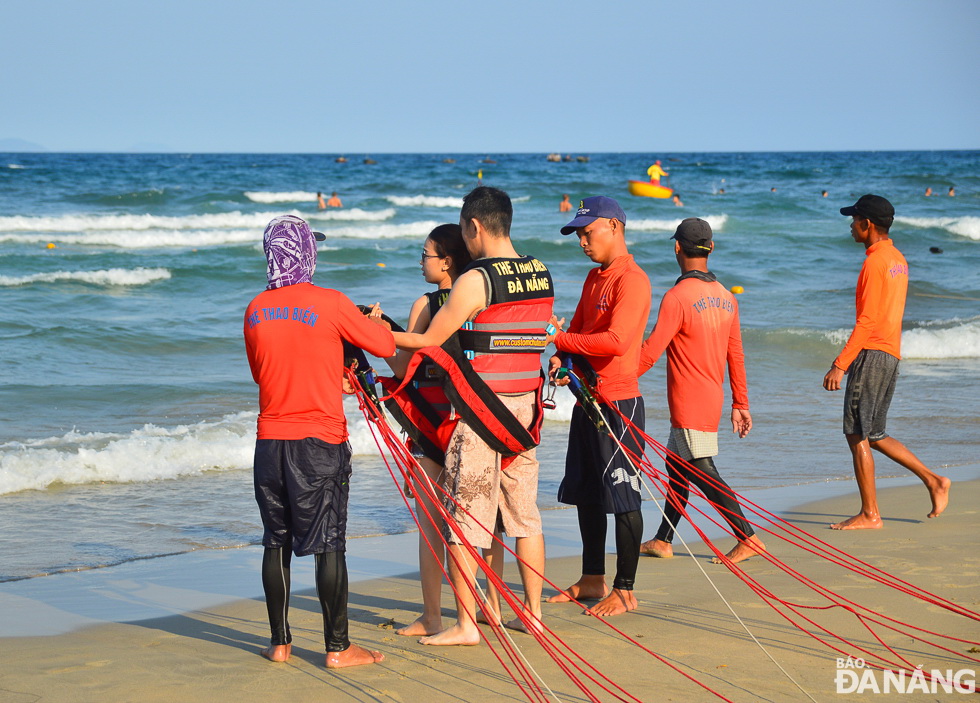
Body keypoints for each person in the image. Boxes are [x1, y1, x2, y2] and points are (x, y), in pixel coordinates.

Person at [382, 186, 553, 646]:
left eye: (463, 228)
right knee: (523, 517)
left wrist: (374, 329)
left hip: (480, 415)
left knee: (463, 520)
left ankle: (465, 625)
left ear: (474, 226)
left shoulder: (476, 281)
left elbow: (429, 341)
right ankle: (533, 614)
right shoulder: (541, 271)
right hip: (525, 414)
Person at [243, 215, 394, 669]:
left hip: (270, 444)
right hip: (319, 444)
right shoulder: (330, 303)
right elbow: (384, 345)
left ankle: (279, 643)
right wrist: (366, 321)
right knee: (328, 543)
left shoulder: (254, 308)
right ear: (306, 253)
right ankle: (338, 647)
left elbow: (264, 373)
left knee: (277, 541)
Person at [636, 218, 765, 565]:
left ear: (677, 247)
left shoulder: (677, 297)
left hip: (689, 400)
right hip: (713, 396)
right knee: (676, 464)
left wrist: (613, 377)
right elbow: (735, 353)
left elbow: (650, 352)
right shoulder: (726, 296)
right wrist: (741, 402)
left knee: (701, 466)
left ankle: (747, 536)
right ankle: (663, 540)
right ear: (711, 249)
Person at [545, 196, 651, 616]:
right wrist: (562, 360)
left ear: (614, 227)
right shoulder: (594, 279)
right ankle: (593, 577)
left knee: (623, 497)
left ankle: (625, 589)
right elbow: (579, 332)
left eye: (588, 232)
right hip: (585, 400)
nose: (582, 241)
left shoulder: (633, 280)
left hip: (619, 404)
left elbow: (617, 341)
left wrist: (562, 342)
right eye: (578, 235)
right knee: (587, 493)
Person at [822, 195, 950, 530]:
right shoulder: (897, 259)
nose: (850, 225)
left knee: (857, 433)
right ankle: (934, 481)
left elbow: (868, 320)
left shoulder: (875, 262)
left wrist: (841, 363)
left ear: (868, 224)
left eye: (854, 220)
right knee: (873, 433)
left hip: (872, 353)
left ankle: (870, 513)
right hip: (890, 353)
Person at [380, 224, 473, 637]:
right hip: (473, 419)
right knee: (477, 521)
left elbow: (403, 367)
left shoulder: (430, 302)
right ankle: (479, 609)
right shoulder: (479, 300)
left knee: (432, 521)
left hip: (430, 421)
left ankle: (433, 615)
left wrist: (378, 333)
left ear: (446, 261)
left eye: (426, 255)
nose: (421, 262)